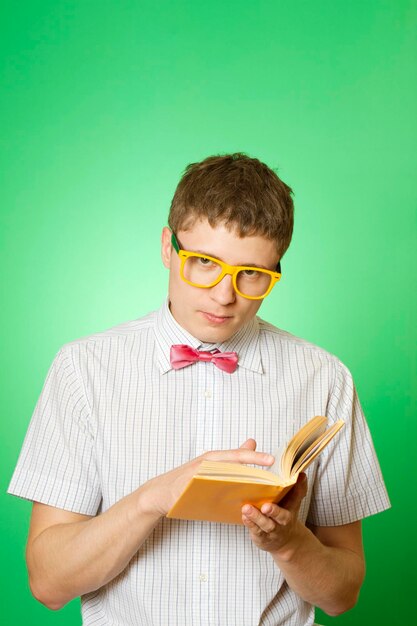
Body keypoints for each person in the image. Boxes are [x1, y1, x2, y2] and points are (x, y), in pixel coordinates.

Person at [8, 153, 390, 626]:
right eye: (205, 262)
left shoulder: (326, 379)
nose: (224, 294)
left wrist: (290, 544)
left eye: (252, 273)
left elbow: (342, 595)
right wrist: (156, 496)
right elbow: (47, 583)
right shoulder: (83, 369)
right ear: (168, 247)